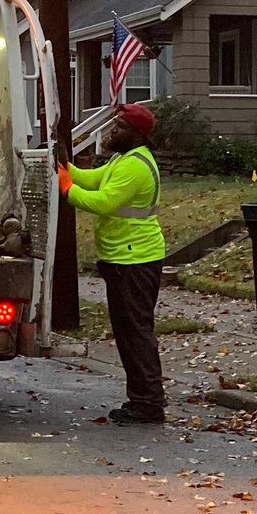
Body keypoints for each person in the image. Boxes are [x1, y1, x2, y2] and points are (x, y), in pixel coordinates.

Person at [57, 102, 166, 425]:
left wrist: (66, 189)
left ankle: (148, 404)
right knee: (130, 332)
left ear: (135, 135)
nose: (111, 131)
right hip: (126, 259)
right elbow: (90, 180)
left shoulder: (134, 167)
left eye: (118, 127)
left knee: (135, 333)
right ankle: (143, 400)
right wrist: (65, 167)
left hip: (135, 260)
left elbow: (104, 202)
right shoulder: (124, 159)